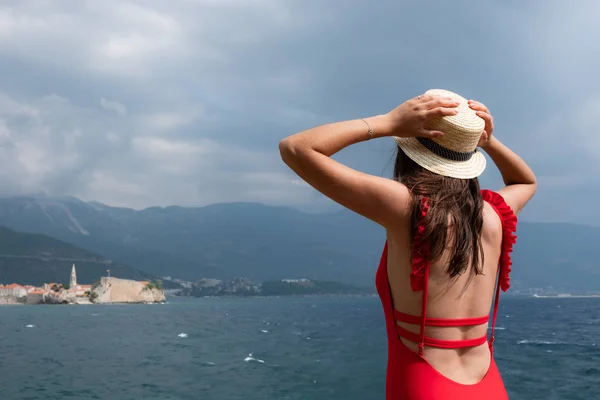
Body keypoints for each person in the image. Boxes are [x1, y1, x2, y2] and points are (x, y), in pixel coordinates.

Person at [278, 89, 537, 399]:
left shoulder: (407, 206)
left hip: (425, 384)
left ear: (410, 149)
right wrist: (488, 141)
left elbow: (296, 148)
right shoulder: (494, 214)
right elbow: (526, 182)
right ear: (468, 157)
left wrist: (388, 122)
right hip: (489, 384)